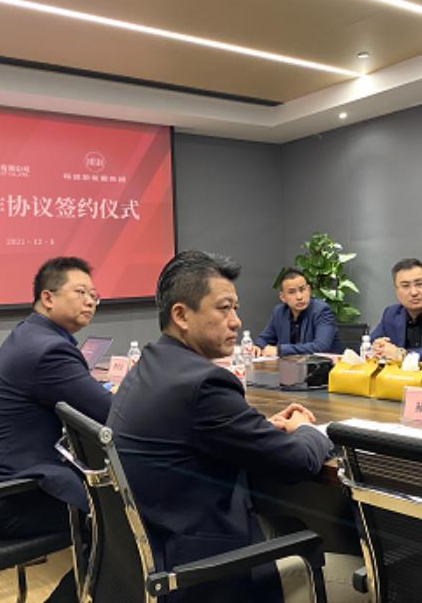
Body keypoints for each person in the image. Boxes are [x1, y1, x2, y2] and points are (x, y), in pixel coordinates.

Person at [107, 250, 333, 603]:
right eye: (224, 308)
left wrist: (255, 428)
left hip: (151, 555)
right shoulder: (204, 384)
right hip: (203, 571)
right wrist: (308, 429)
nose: (236, 322)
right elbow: (298, 462)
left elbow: (193, 430)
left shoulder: (150, 364)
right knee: (353, 568)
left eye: (235, 309)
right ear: (181, 315)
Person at [0, 257, 112, 603]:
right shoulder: (48, 350)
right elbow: (109, 415)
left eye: (94, 295)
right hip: (3, 499)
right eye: (81, 292)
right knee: (121, 524)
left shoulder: (30, 333)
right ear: (48, 297)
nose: (90, 301)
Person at [254, 268, 343, 357]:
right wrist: (257, 347)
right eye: (292, 292)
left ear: (308, 290)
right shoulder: (279, 312)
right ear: (283, 297)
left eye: (302, 289)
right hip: (290, 364)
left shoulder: (321, 310)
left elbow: (321, 347)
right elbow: (264, 339)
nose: (299, 297)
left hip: (324, 365)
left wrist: (280, 350)